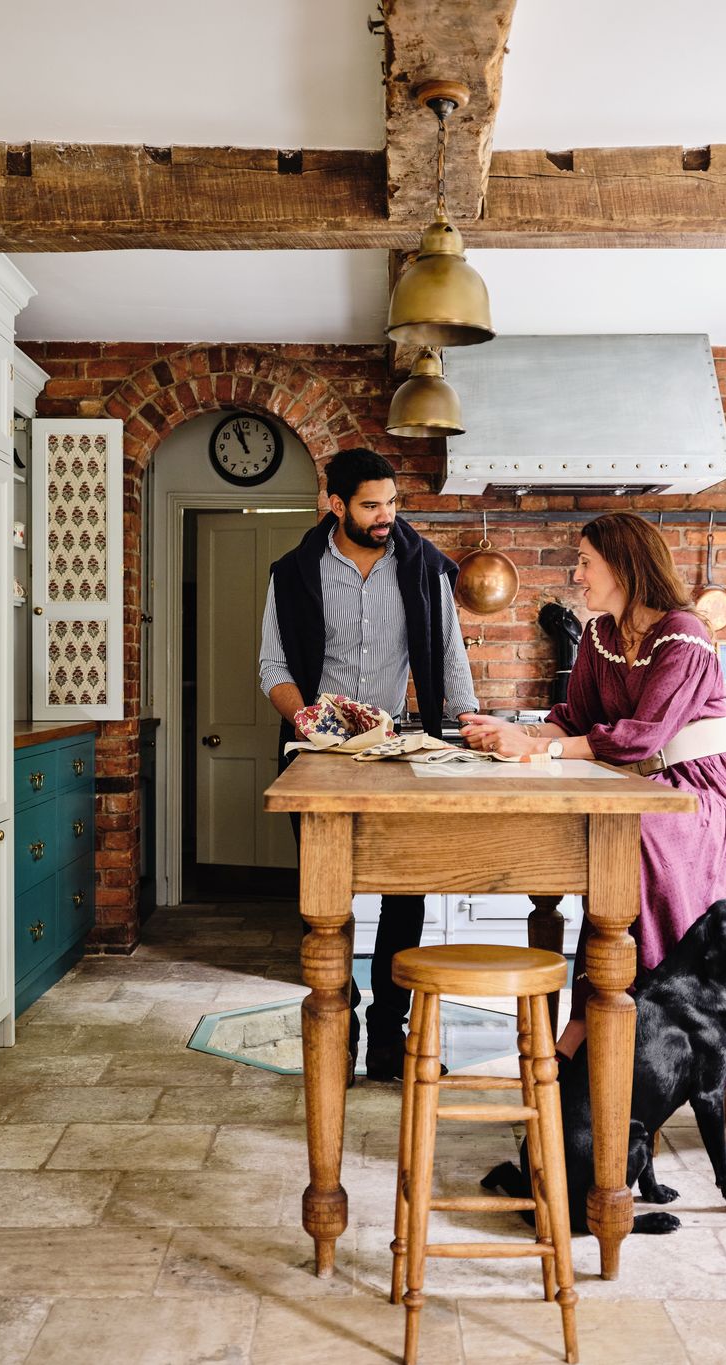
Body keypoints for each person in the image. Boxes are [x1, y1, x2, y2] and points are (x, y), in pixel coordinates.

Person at [459, 511, 726, 1099]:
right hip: (649, 784)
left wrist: (544, 750)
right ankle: (600, 1019)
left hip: (709, 793)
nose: (578, 573)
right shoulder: (599, 635)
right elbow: (575, 717)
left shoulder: (684, 633)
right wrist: (515, 734)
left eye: (587, 562)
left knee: (629, 835)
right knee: (608, 832)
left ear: (623, 565)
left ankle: (622, 1016)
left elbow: (644, 735)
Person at [260, 447, 478, 1081]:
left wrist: (468, 727)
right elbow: (273, 667)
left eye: (392, 503)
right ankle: (342, 1015)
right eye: (371, 505)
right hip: (316, 753)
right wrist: (307, 716)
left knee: (406, 890)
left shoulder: (423, 567)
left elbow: (450, 656)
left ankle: (388, 1025)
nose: (387, 516)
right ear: (336, 505)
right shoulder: (294, 572)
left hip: (394, 745)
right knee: (325, 899)